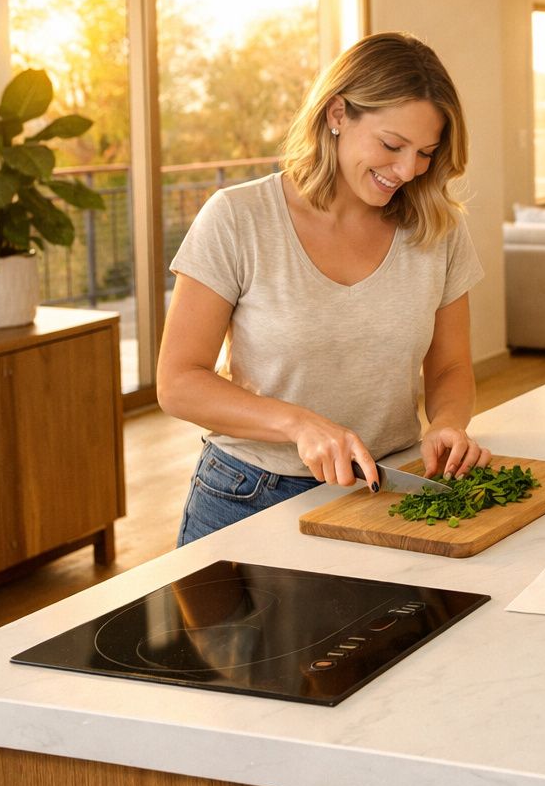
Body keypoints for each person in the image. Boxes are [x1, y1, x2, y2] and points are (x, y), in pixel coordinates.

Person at [158, 32, 490, 547]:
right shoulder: (238, 217)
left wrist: (446, 425)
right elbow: (178, 381)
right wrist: (298, 424)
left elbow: (449, 367)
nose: (407, 170)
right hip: (249, 495)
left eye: (425, 152)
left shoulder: (436, 230)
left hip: (386, 491)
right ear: (337, 113)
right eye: (391, 145)